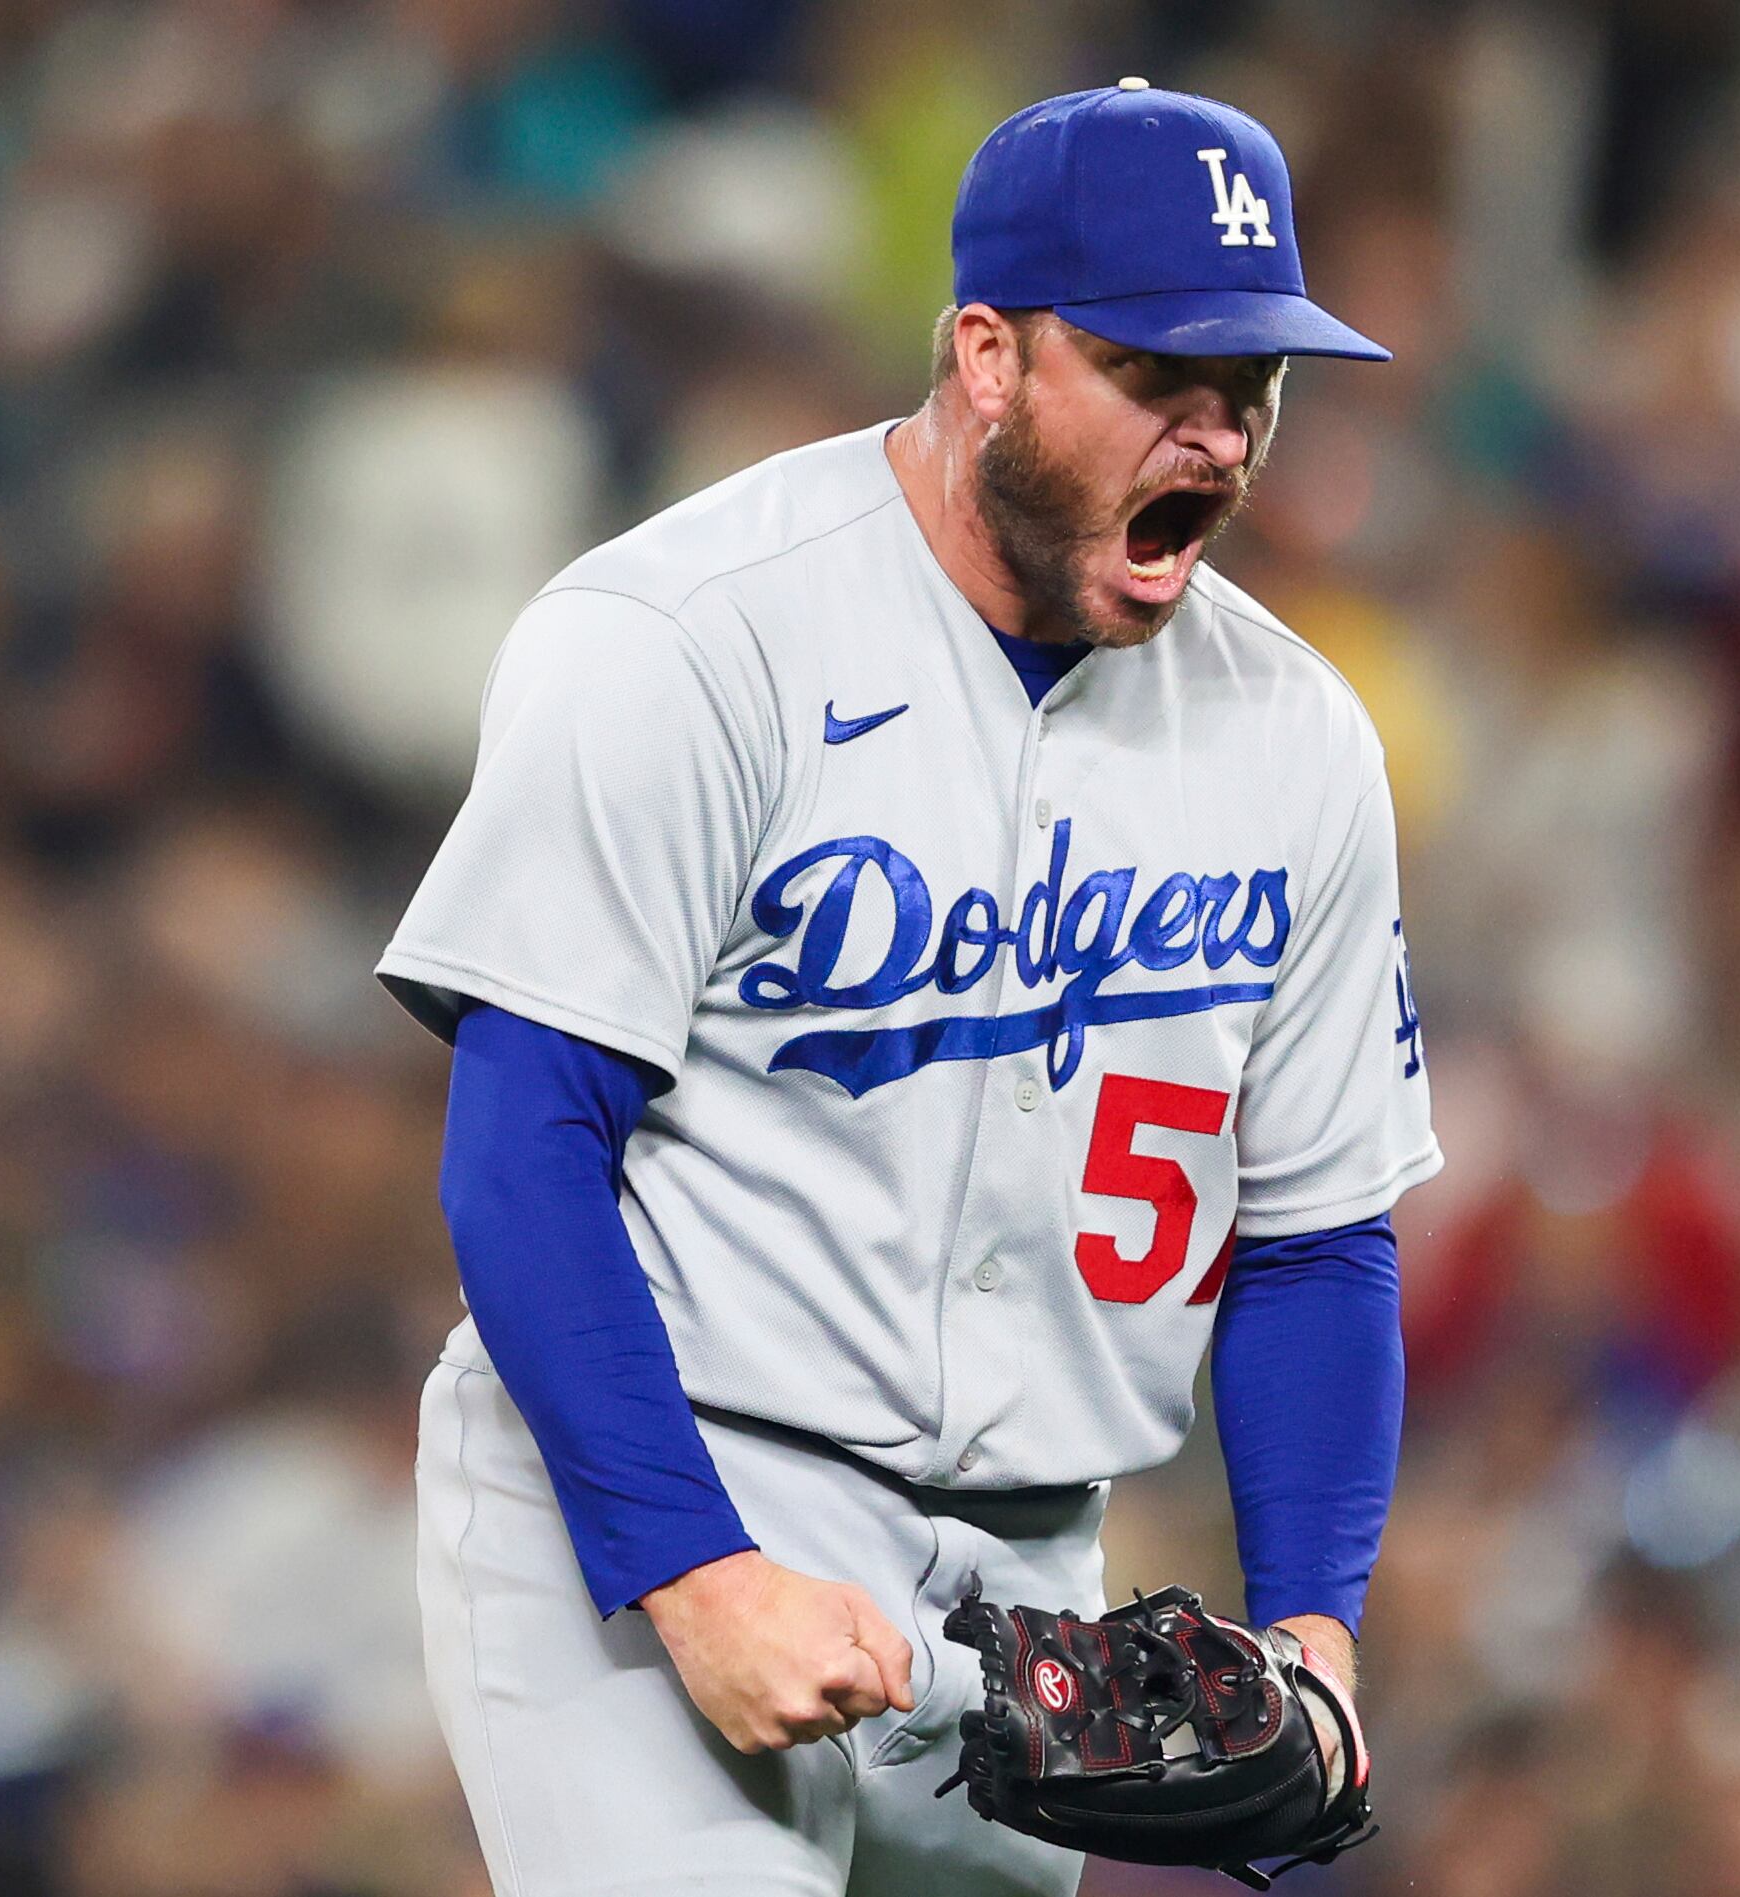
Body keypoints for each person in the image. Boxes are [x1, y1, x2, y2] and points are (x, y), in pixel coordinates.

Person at [377, 79, 1437, 1894]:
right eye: (1153, 373)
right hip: (662, 1471)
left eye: (1248, 380)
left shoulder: (1296, 737)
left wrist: (1314, 1635)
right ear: (986, 358)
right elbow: (521, 1151)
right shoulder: (691, 638)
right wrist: (692, 1569)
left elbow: (1317, 1239)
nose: (1214, 432)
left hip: (1032, 1600)